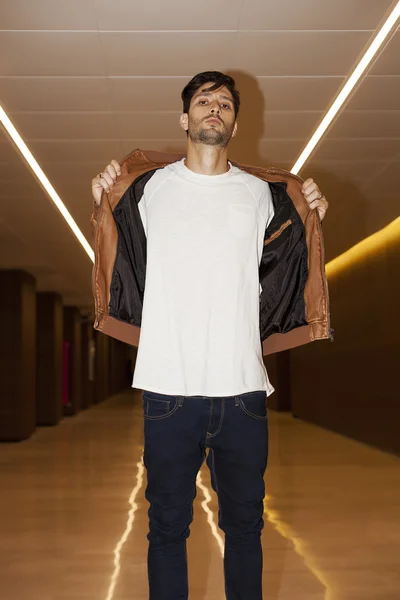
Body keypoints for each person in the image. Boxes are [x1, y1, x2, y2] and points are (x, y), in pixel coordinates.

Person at [91, 71, 330, 600]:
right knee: (168, 531)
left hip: (242, 390)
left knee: (245, 529)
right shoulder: (148, 187)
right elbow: (115, 232)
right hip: (168, 388)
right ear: (185, 119)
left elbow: (291, 258)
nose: (214, 109)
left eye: (224, 103)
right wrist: (104, 190)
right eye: (204, 101)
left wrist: (312, 210)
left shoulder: (262, 194)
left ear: (235, 123)